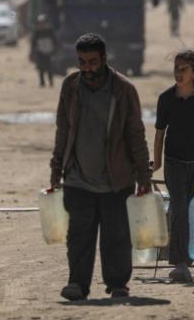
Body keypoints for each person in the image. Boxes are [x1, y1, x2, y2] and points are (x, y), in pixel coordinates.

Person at [49, 33, 153, 302]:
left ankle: (118, 283)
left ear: (104, 59)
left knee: (116, 235)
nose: (87, 68)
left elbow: (135, 133)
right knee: (79, 236)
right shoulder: (70, 87)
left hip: (116, 179)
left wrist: (143, 174)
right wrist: (56, 169)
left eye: (93, 62)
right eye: (82, 62)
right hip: (77, 178)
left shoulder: (124, 90)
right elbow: (63, 130)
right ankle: (77, 283)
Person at [153, 50, 194, 283]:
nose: (178, 73)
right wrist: (156, 162)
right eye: (176, 68)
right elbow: (159, 134)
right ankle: (180, 264)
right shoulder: (166, 99)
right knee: (178, 207)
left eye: (183, 69)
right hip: (174, 161)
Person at [31, 15, 58, 87]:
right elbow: (33, 43)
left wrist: (55, 51)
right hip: (40, 52)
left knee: (50, 68)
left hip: (49, 52)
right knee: (41, 68)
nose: (41, 25)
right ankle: (42, 82)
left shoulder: (50, 31)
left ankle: (51, 82)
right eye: (40, 23)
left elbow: (55, 41)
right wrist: (32, 53)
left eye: (43, 23)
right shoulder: (37, 32)